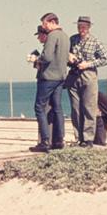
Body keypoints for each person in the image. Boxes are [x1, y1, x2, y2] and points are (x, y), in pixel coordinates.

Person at [30, 13, 70, 153]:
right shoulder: (65, 36)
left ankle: (45, 141)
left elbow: (46, 56)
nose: (44, 27)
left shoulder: (52, 36)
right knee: (57, 108)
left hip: (48, 77)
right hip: (60, 77)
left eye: (45, 24)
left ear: (52, 22)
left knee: (39, 108)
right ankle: (59, 140)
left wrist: (35, 59)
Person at [67, 16, 107, 147]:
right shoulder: (72, 39)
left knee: (89, 107)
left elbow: (105, 59)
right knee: (75, 108)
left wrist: (88, 64)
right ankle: (78, 138)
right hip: (74, 75)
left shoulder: (95, 41)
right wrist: (70, 58)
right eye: (79, 26)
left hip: (89, 75)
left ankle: (88, 138)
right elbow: (66, 54)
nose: (81, 29)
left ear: (89, 27)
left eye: (84, 27)